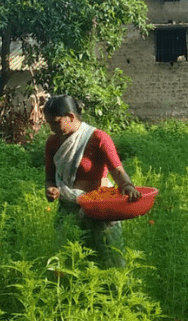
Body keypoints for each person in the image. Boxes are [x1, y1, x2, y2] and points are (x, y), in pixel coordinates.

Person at [43, 94, 140, 268]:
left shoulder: (98, 138)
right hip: (68, 211)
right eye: (49, 123)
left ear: (71, 117)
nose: (52, 128)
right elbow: (50, 178)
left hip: (98, 211)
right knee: (71, 262)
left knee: (106, 259)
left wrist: (127, 186)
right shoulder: (52, 143)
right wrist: (51, 190)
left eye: (55, 122)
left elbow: (117, 170)